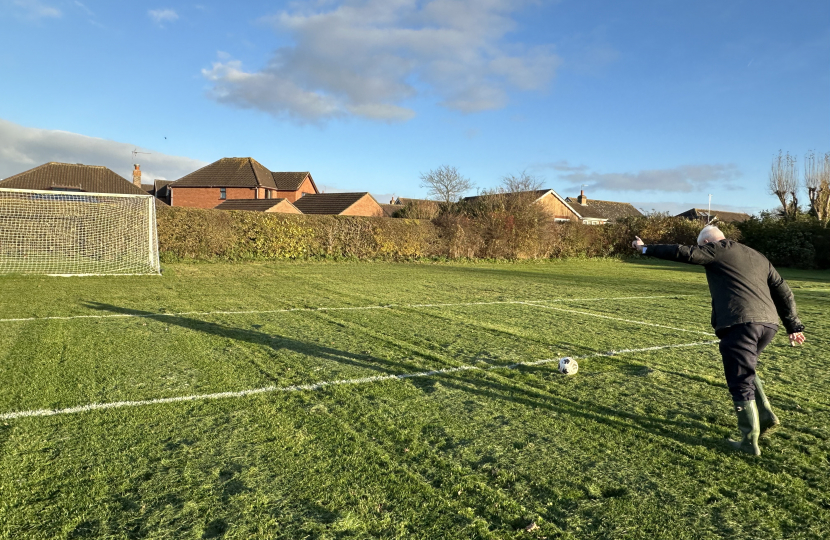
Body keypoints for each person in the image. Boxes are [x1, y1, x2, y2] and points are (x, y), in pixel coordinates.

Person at [632, 225, 805, 456]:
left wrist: (645, 249)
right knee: (746, 368)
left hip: (740, 323)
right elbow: (784, 291)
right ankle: (765, 416)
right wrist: (793, 325)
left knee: (739, 379)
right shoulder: (757, 255)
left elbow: (683, 252)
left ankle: (748, 441)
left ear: (706, 243)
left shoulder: (718, 249)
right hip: (768, 325)